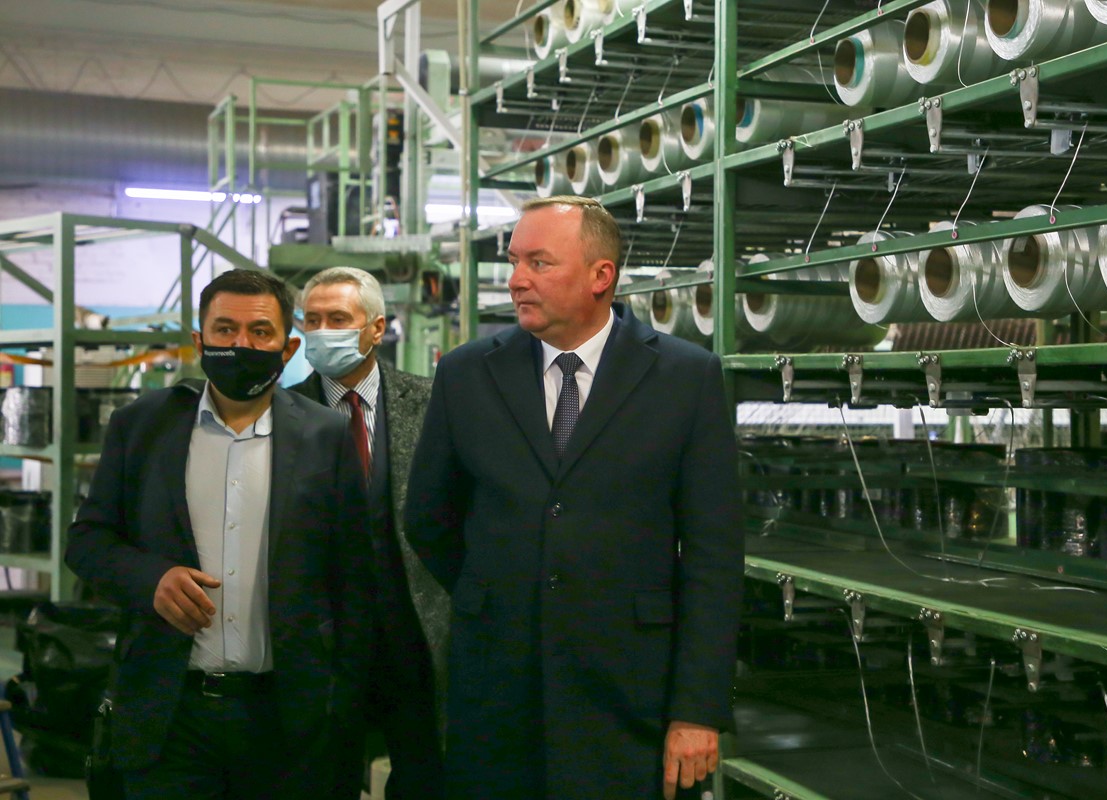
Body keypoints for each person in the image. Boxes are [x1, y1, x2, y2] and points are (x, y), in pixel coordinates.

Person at [405, 195, 745, 800]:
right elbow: (430, 518)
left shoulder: (685, 377)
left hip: (633, 697)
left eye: (539, 262)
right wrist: (497, 591)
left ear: (600, 276)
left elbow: (714, 557)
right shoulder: (466, 374)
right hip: (496, 691)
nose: (517, 280)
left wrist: (697, 709)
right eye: (513, 262)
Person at [65, 268, 373, 800]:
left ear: (287, 348)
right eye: (225, 329)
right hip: (170, 715)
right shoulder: (142, 426)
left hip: (287, 719)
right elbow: (87, 540)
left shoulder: (325, 435)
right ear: (199, 340)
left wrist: (341, 699)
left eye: (260, 332)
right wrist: (151, 579)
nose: (241, 344)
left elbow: (354, 576)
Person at [289, 266, 446, 798]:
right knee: (324, 776)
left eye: (337, 319)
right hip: (324, 640)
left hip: (414, 632)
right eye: (312, 320)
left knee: (425, 776)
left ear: (376, 328)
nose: (322, 331)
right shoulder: (286, 414)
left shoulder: (430, 403)